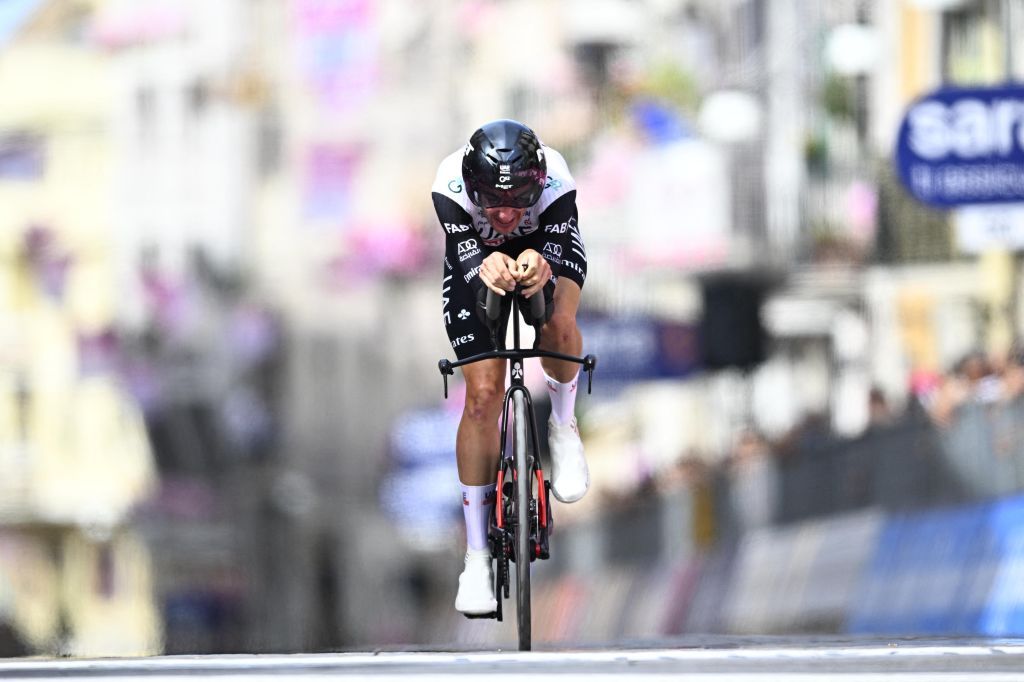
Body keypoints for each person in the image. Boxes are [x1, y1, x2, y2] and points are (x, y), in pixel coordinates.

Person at [431, 119, 589, 615]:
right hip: (476, 262)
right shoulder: (449, 182)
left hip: (545, 247)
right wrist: (486, 262)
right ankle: (476, 556)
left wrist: (540, 261)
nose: (503, 213)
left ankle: (562, 426)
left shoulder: (558, 178)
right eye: (491, 203)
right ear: (472, 187)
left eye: (517, 200)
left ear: (537, 184)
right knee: (481, 397)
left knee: (559, 323)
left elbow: (560, 249)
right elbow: (465, 253)